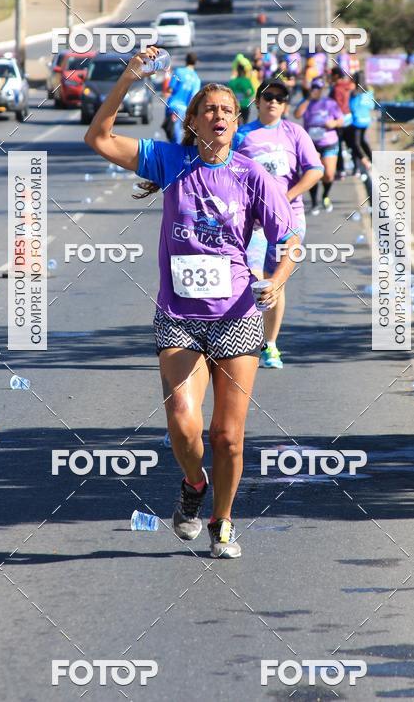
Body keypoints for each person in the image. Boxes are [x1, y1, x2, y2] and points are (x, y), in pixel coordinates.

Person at [84, 48, 301, 559]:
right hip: (179, 314)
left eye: (228, 110)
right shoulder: (171, 161)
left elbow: (288, 237)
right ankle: (193, 484)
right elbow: (98, 137)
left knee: (227, 436)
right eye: (210, 110)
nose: (220, 116)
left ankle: (222, 521)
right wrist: (129, 77)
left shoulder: (253, 176)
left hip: (235, 316)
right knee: (183, 419)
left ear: (235, 121)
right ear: (195, 120)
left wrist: (276, 276)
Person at [233, 79, 323, 369]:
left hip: (290, 219)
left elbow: (315, 170)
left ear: (285, 105)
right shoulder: (242, 135)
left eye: (280, 98)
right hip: (254, 221)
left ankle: (270, 345)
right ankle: (247, 338)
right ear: (257, 101)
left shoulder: (294, 133)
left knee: (275, 283)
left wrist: (286, 196)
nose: (273, 102)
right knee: (251, 277)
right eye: (268, 96)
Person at [294, 78, 344, 214]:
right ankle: (315, 202)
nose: (316, 90)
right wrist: (308, 99)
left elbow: (341, 120)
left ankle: (325, 196)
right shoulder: (306, 103)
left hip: (328, 142)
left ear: (323, 90)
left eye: (319, 88)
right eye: (314, 87)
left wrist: (333, 124)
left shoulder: (330, 103)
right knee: (312, 172)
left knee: (328, 174)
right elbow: (297, 114)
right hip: (311, 144)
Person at [164, 53, 201, 144]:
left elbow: (170, 88)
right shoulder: (196, 79)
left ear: (186, 61)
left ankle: (173, 153)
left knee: (172, 133)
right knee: (180, 134)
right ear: (195, 63)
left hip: (172, 106)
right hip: (184, 110)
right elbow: (194, 97)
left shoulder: (178, 72)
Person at [329, 65, 354, 178]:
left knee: (337, 144)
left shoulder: (336, 88)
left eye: (332, 75)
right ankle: (357, 167)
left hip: (339, 119)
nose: (330, 77)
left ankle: (341, 169)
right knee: (351, 144)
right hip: (349, 116)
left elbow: (336, 105)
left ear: (336, 75)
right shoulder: (349, 85)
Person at [349, 72, 375, 171]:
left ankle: (364, 163)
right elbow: (372, 106)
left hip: (356, 121)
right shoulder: (369, 92)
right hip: (366, 120)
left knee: (355, 144)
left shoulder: (354, 93)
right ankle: (372, 160)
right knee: (362, 141)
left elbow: (351, 107)